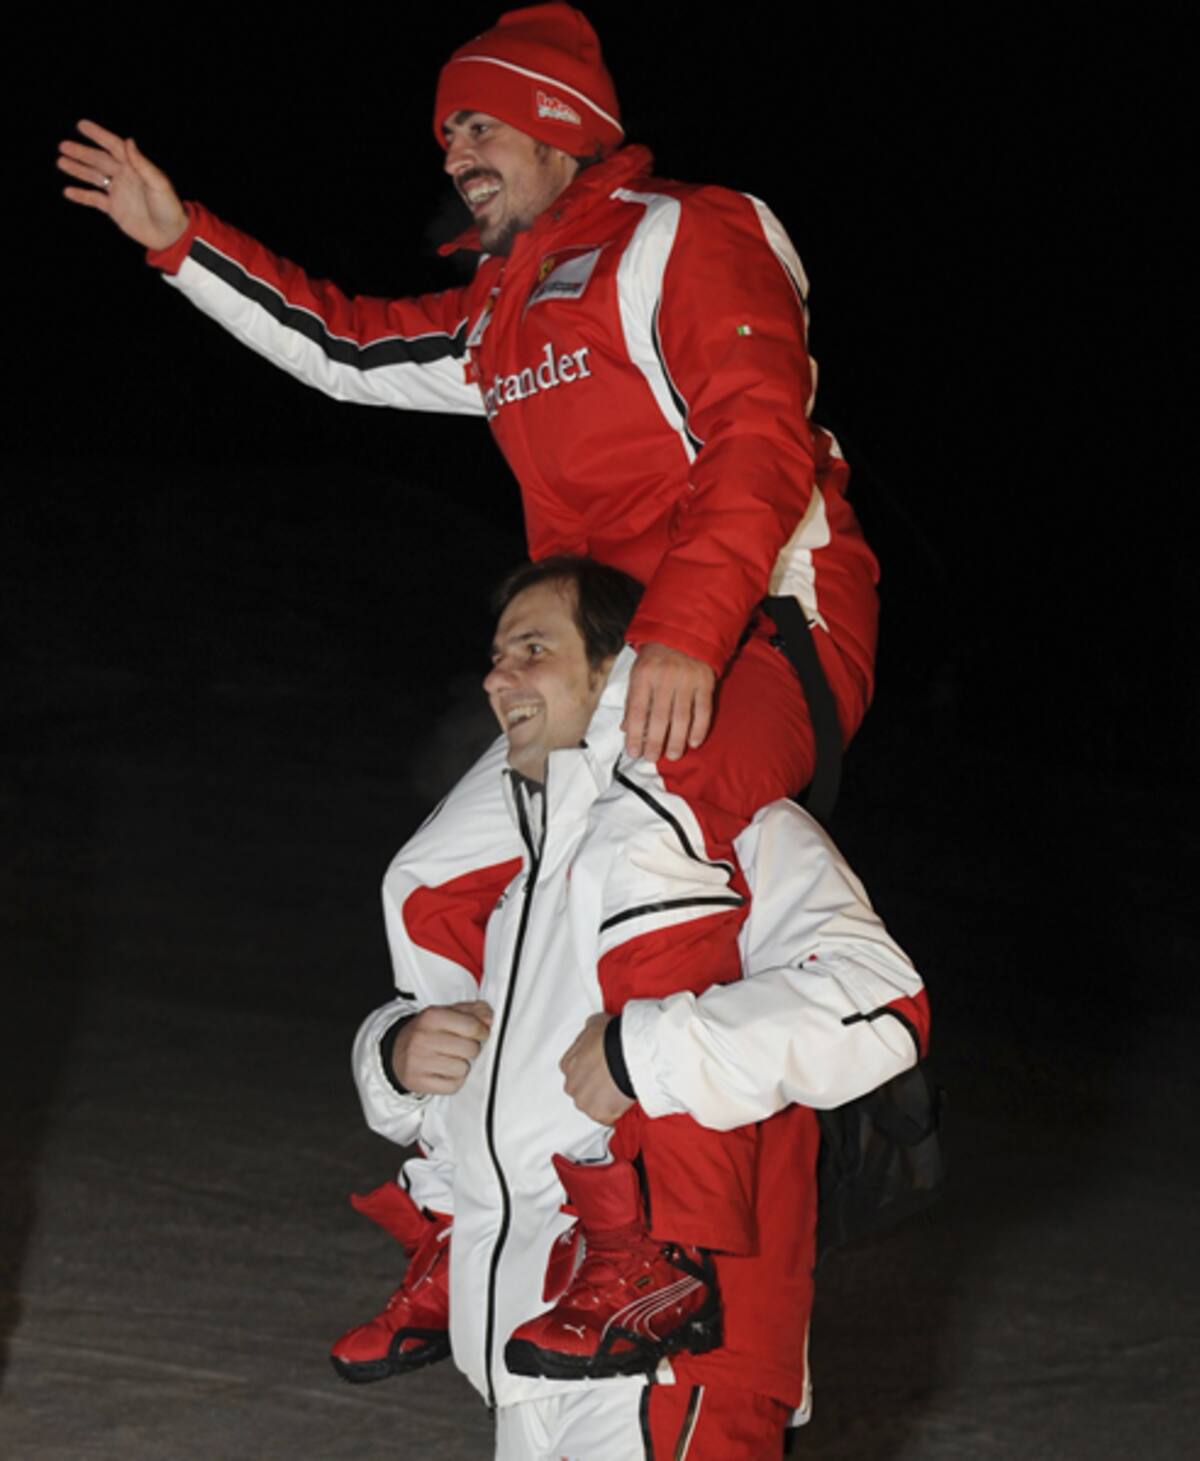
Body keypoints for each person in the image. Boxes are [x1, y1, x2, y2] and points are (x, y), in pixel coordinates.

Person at [346, 555, 929, 1459]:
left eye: (533, 649)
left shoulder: (733, 830)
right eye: (497, 656)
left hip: (681, 1361)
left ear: (620, 673)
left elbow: (881, 1004)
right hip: (531, 1357)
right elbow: (485, 1106)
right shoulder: (510, 886)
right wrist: (391, 1055)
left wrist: (644, 1050)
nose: (500, 678)